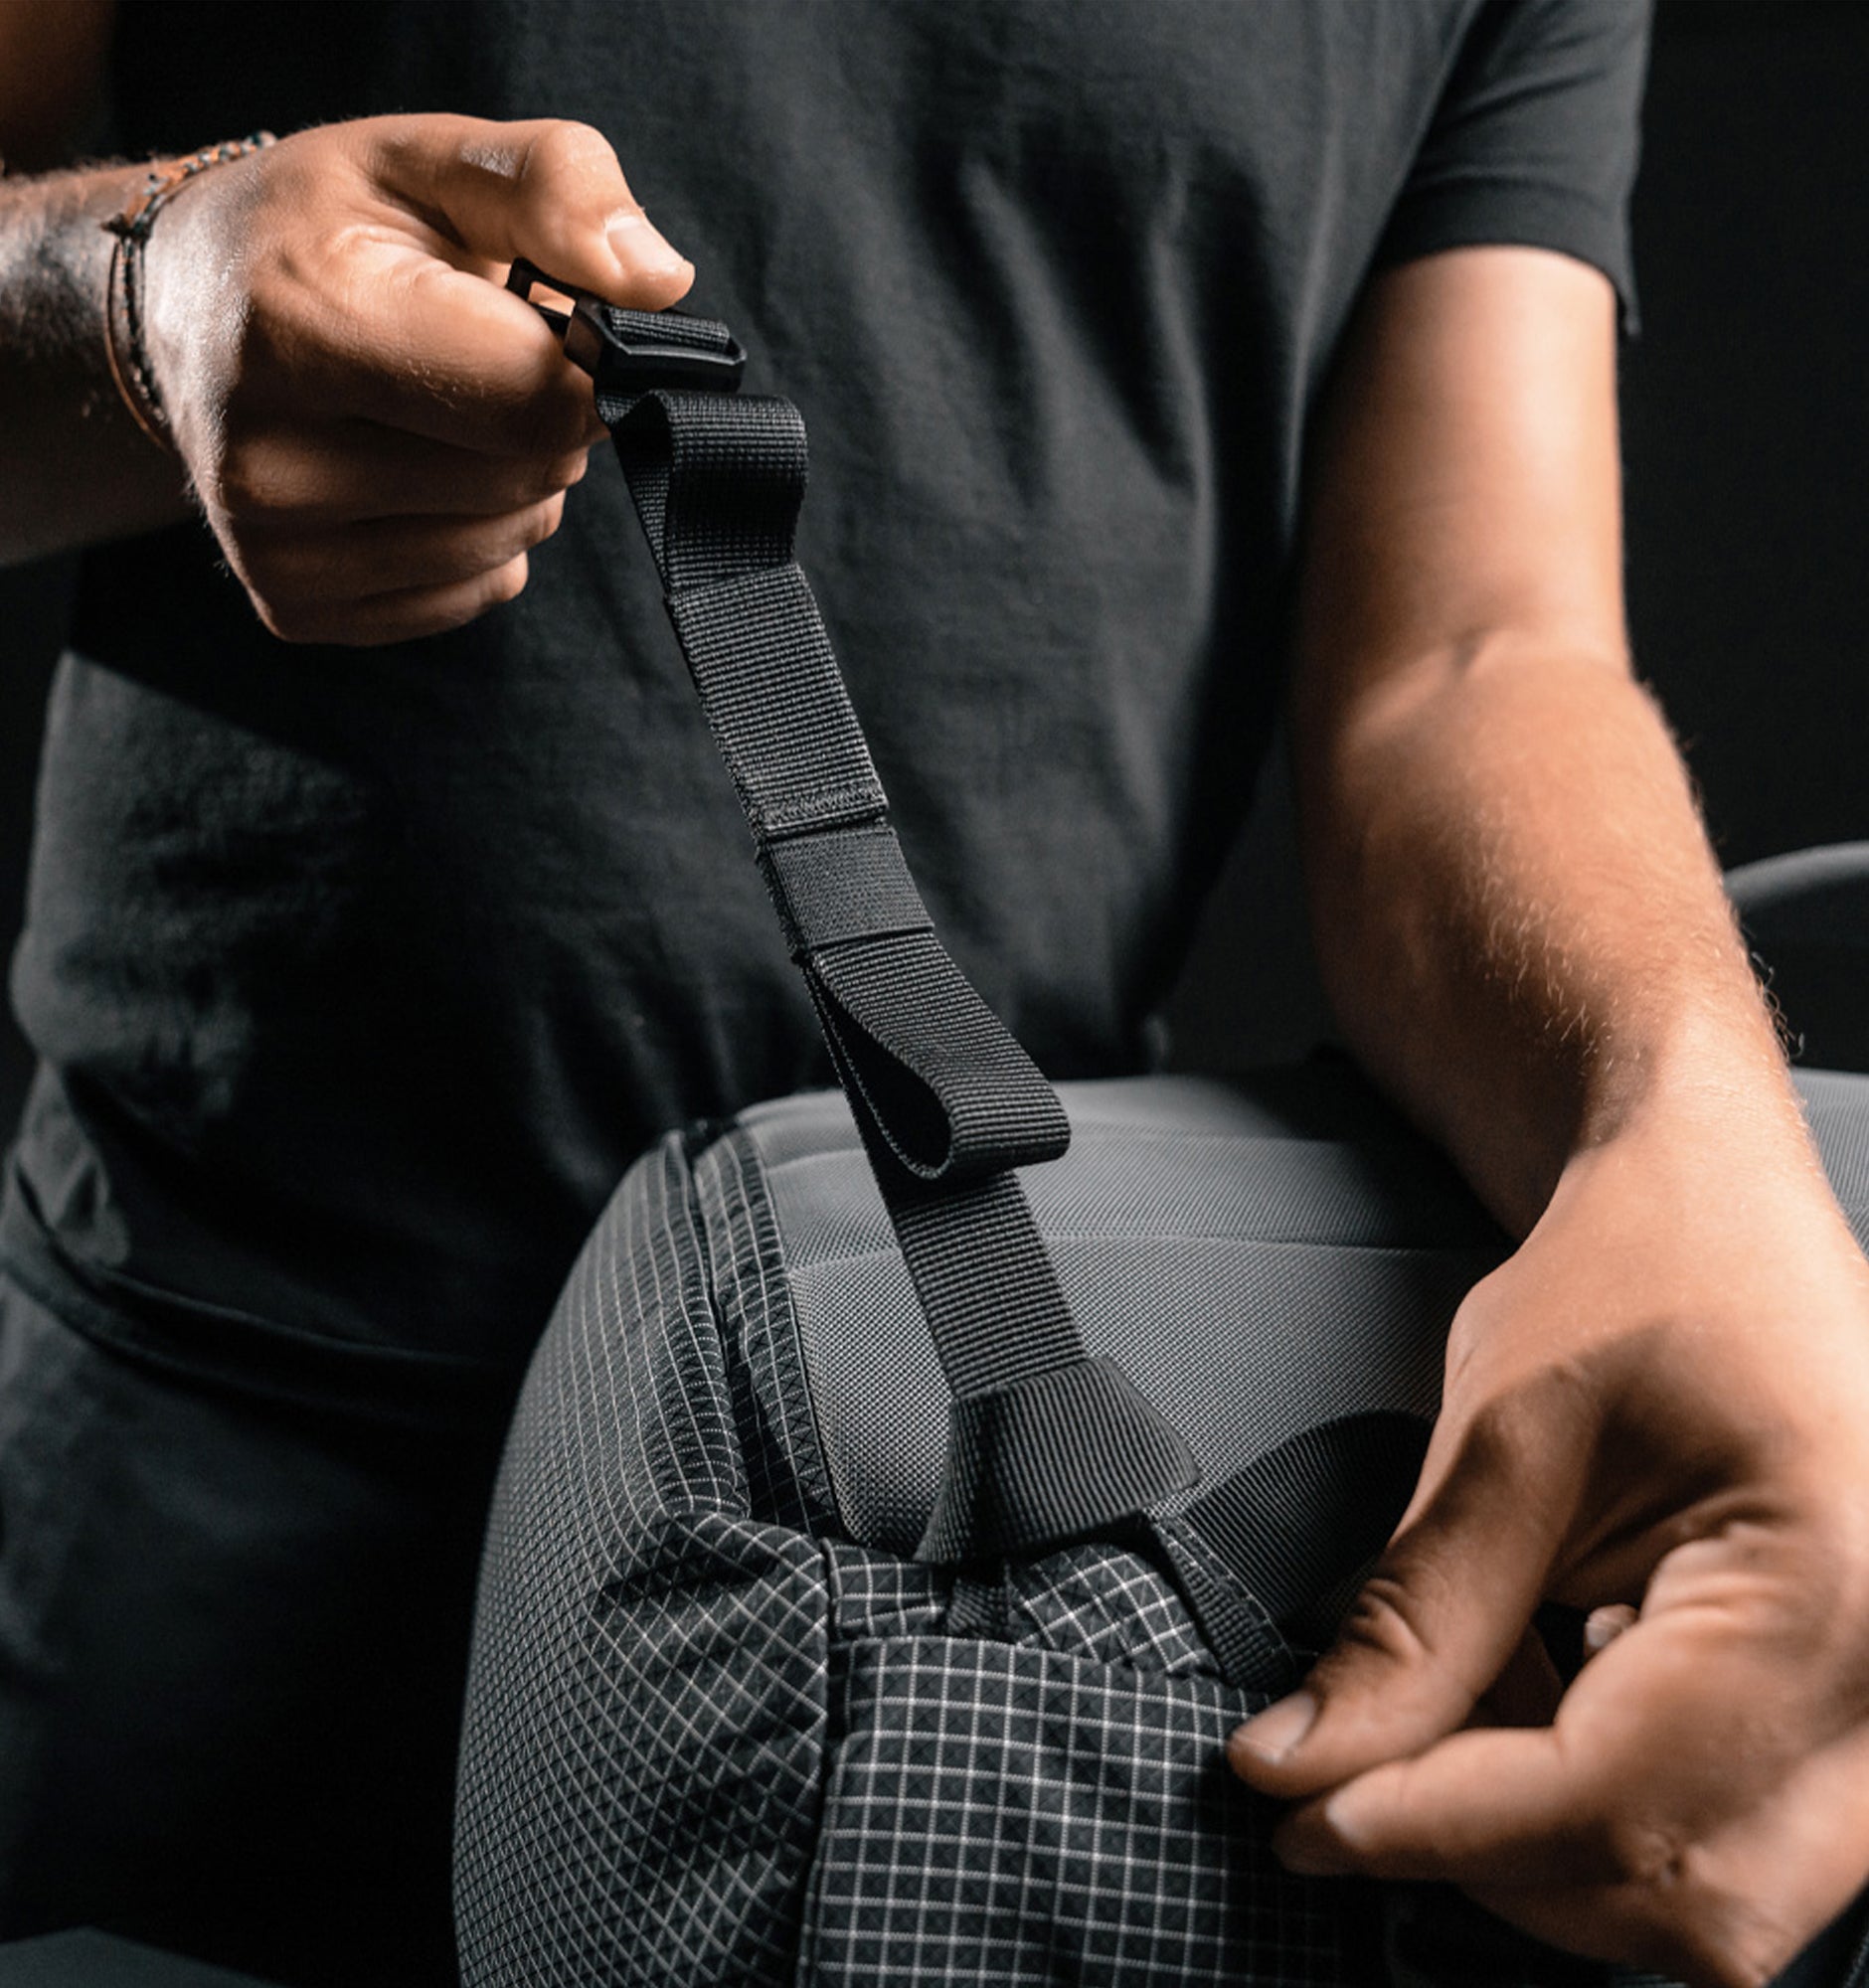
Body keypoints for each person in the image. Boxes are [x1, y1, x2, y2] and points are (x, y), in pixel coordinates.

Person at [1, 2, 1865, 1984]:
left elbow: (1475, 655)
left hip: (940, 1473)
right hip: (206, 1427)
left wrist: (1688, 1147)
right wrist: (132, 294)